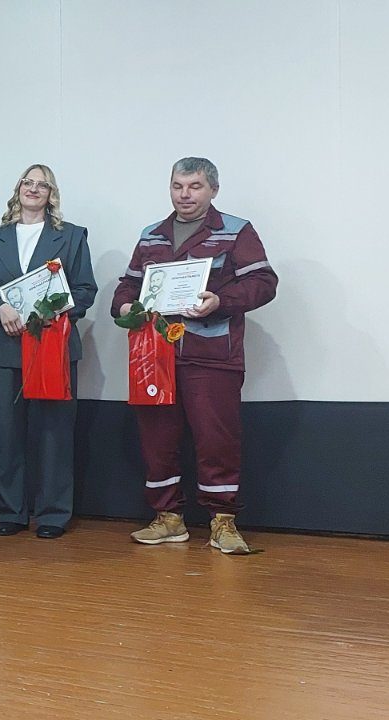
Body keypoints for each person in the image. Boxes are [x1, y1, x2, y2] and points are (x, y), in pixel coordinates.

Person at [112, 157, 277, 554]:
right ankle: (168, 518)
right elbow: (128, 286)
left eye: (195, 186)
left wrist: (220, 301)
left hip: (211, 355)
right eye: (178, 186)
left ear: (213, 190)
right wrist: (124, 307)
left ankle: (223, 521)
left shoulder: (236, 230)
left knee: (217, 439)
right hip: (154, 355)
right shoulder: (151, 235)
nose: (184, 195)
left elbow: (264, 282)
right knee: (157, 439)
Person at [0, 164, 97, 539]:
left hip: (52, 346)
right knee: (5, 434)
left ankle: (53, 514)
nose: (34, 189)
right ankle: (11, 511)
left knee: (55, 433)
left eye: (43, 184)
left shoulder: (71, 237)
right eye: (28, 182)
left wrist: (53, 309)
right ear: (18, 189)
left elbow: (85, 290)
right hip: (3, 349)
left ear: (51, 194)